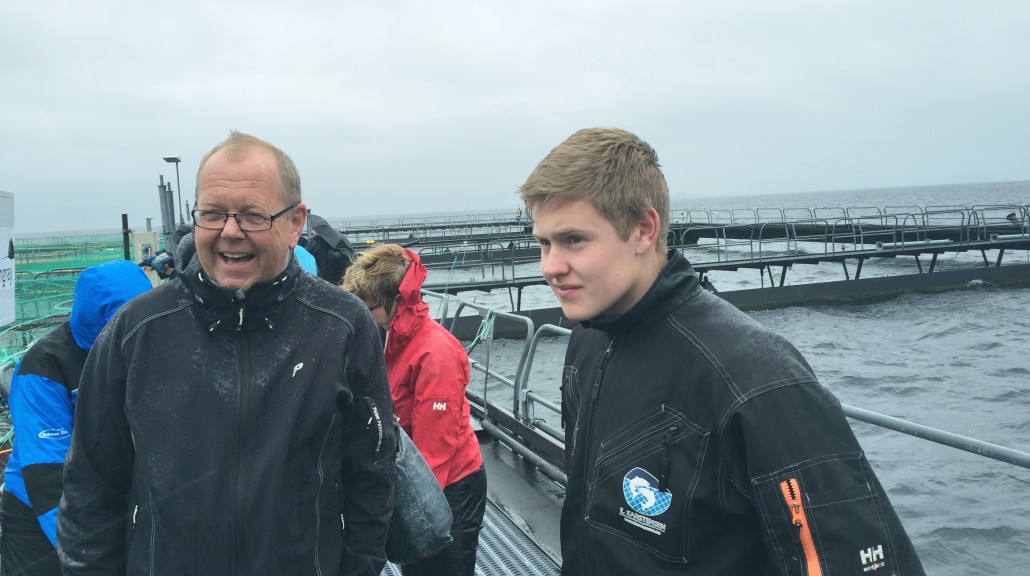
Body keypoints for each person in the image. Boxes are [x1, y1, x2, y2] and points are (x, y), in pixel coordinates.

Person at [519, 128, 925, 575]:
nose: (551, 266)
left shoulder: (757, 377)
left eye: (574, 239)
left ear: (643, 230)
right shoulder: (588, 339)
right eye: (544, 242)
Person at [57, 131, 397, 575]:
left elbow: (371, 477)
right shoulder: (136, 330)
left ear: (296, 222)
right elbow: (90, 489)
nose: (230, 232)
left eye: (253, 216)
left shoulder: (342, 326)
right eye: (212, 214)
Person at [0, 260, 152, 576]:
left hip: (115, 504)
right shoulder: (43, 367)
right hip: (41, 514)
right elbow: (47, 473)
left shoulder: (147, 350)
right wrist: (85, 555)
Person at [342, 244, 485, 576]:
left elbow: (437, 445)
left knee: (443, 567)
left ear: (397, 301)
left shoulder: (436, 352)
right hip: (416, 475)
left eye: (369, 307)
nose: (363, 314)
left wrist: (403, 507)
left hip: (450, 485)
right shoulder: (389, 337)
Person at [306, 213, 356, 284]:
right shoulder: (338, 238)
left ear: (317, 230)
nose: (312, 232)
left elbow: (305, 255)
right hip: (338, 276)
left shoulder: (314, 242)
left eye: (313, 229)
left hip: (322, 274)